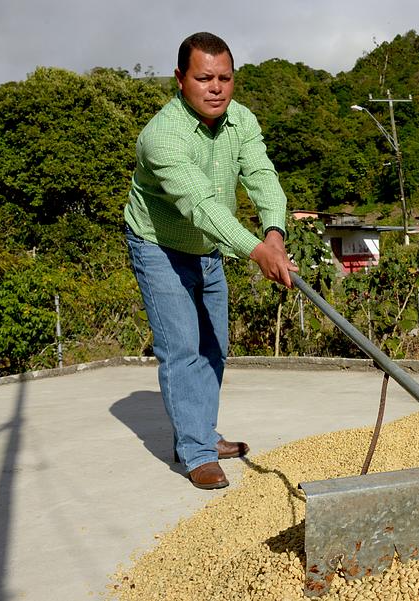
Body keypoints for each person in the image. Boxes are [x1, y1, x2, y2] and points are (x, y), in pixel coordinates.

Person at [124, 32, 294, 489]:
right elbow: (200, 205)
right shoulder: (162, 136)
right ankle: (195, 451)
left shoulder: (242, 121)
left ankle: (203, 432)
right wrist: (257, 251)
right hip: (159, 245)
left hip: (210, 245)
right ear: (181, 79)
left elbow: (262, 177)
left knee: (214, 346)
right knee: (182, 348)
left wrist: (274, 234)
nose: (216, 87)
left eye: (225, 77)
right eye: (204, 78)